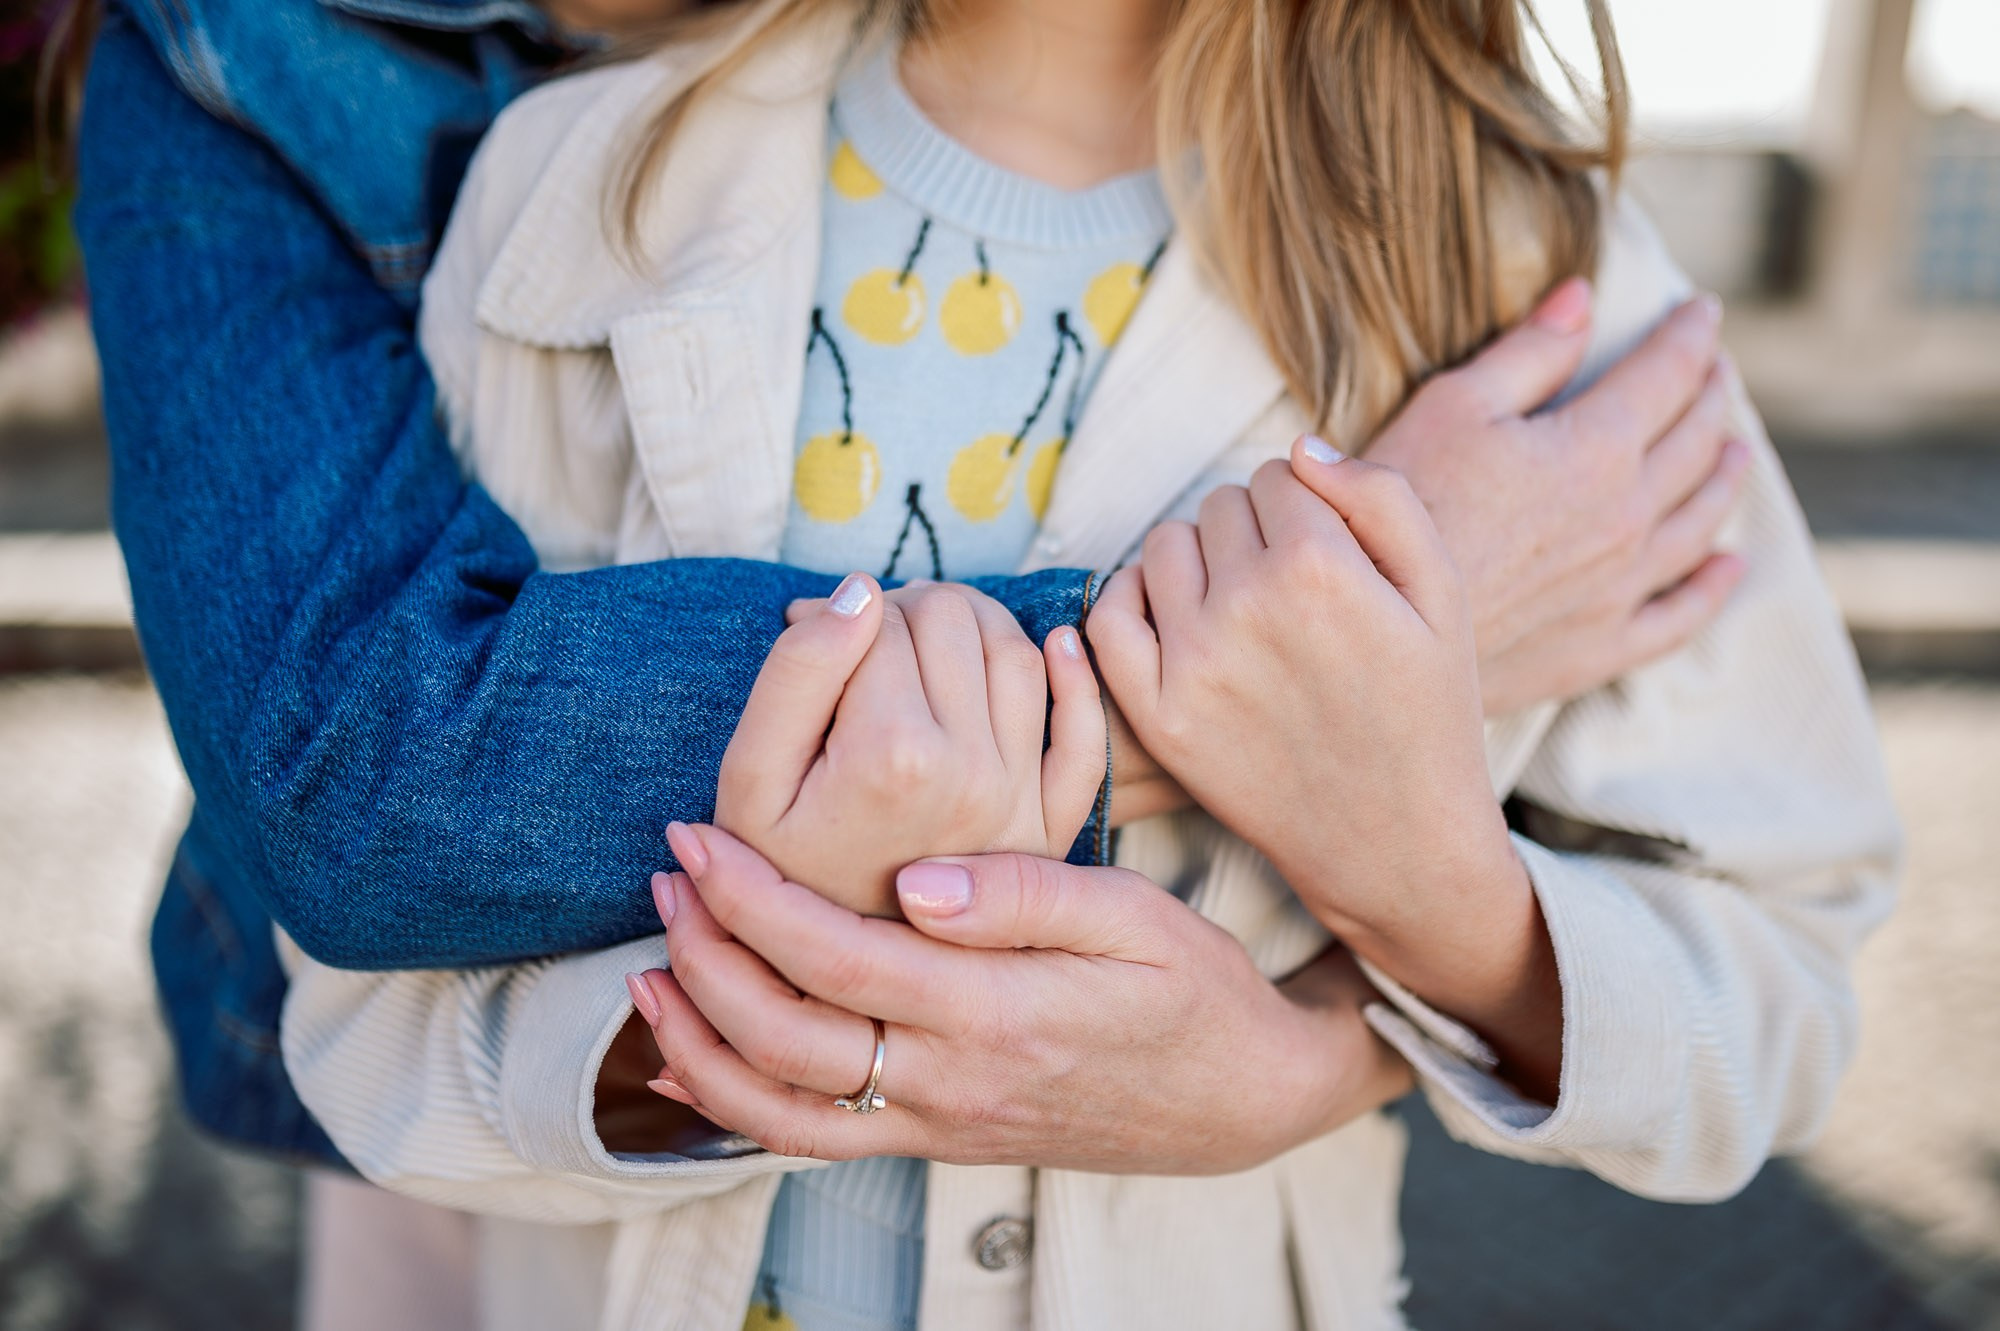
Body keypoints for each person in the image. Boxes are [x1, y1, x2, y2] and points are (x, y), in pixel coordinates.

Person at [255, 0, 1900, 1328]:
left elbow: (1784, 976)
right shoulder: (584, 189)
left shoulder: (1525, 275)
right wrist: (740, 1002)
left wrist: (1434, 907)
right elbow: (364, 1040)